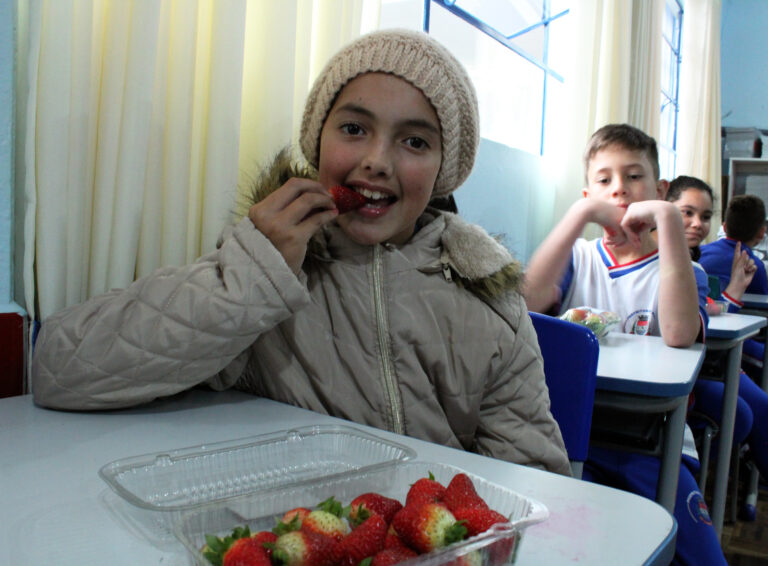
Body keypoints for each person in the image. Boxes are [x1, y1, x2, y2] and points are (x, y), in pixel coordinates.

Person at [30, 29, 570, 475]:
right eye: (354, 129)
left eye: (414, 141)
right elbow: (59, 368)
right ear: (318, 143)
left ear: (443, 170)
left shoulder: (489, 300)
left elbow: (533, 477)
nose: (377, 162)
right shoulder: (265, 265)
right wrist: (250, 277)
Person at [524, 123, 725, 566]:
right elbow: (527, 301)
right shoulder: (578, 257)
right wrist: (578, 218)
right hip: (571, 439)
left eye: (634, 176)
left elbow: (677, 334)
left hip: (654, 443)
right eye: (604, 181)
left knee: (702, 557)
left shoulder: (680, 269)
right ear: (588, 195)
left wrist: (669, 220)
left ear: (660, 188)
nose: (619, 191)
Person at [667, 176, 768, 488]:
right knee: (749, 410)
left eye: (705, 216)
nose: (697, 224)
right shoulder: (666, 264)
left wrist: (735, 289)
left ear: (721, 222)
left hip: (703, 360)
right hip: (688, 369)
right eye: (687, 213)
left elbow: (709, 308)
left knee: (746, 412)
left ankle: (706, 472)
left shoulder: (699, 260)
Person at [700, 194, 768, 296]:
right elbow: (762, 305)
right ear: (762, 232)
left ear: (724, 227)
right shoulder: (754, 267)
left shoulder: (699, 253)